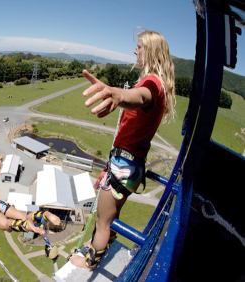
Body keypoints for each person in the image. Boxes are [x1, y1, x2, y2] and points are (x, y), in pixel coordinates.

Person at [69, 29, 176, 269]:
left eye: (139, 46)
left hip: (123, 166)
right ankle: (101, 241)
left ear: (151, 50)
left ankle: (90, 261)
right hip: (131, 165)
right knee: (111, 216)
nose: (135, 50)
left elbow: (138, 96)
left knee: (103, 219)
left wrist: (117, 94)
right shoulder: (159, 86)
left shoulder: (151, 84)